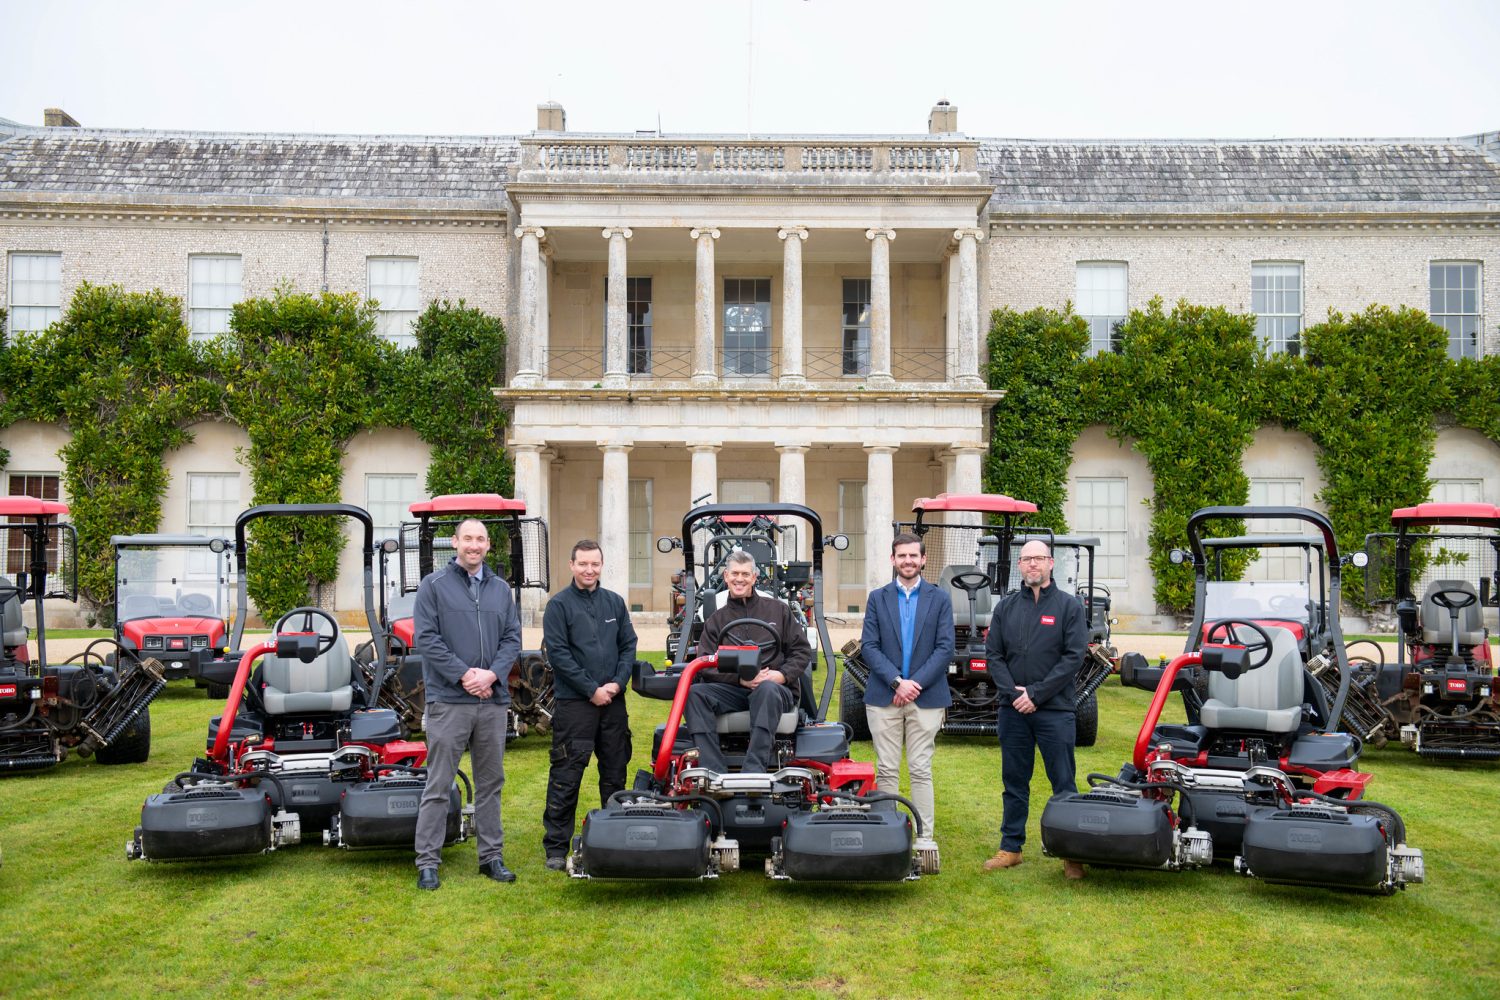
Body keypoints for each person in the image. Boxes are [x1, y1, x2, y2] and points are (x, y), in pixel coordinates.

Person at [412, 517, 522, 890]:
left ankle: (491, 857)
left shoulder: (500, 589)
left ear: (488, 545)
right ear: (455, 542)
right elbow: (427, 640)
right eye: (467, 539)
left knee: (490, 782)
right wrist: (464, 675)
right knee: (439, 782)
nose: (474, 545)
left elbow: (511, 639)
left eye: (480, 539)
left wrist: (490, 676)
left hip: (491, 701)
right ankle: (428, 862)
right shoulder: (434, 586)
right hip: (449, 701)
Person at [983, 539, 1088, 879]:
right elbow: (994, 656)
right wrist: (1015, 695)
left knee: (1063, 782)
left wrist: (1037, 694)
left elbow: (1073, 658)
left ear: (1050, 563)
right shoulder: (1006, 608)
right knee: (1014, 780)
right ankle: (1011, 847)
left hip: (1054, 710)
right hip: (1012, 710)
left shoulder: (1069, 607)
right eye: (1026, 559)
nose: (1032, 565)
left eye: (1038, 559)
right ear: (1020, 565)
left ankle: (1072, 853)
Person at [540, 539, 638, 871]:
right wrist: (591, 689)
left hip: (613, 703)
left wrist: (616, 683)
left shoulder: (614, 603)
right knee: (567, 775)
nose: (589, 570)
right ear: (572, 565)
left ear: (601, 565)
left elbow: (628, 646)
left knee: (615, 773)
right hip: (575, 706)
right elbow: (559, 656)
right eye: (582, 564)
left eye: (594, 564)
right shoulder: (558, 606)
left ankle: (612, 836)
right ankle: (555, 846)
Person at [860, 532, 955, 855]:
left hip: (926, 698)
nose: (908, 561)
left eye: (913, 556)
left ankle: (924, 837)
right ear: (893, 559)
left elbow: (945, 649)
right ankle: (888, 835)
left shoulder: (940, 598)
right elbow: (869, 647)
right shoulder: (877, 598)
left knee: (919, 768)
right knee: (886, 768)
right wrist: (896, 681)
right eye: (902, 556)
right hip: (884, 696)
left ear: (923, 559)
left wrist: (914, 683)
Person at [685, 549, 812, 774]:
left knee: (767, 689)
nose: (739, 579)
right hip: (733, 688)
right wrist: (741, 680)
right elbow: (705, 663)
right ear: (726, 576)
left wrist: (780, 675)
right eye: (735, 574)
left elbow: (801, 651)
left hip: (774, 687)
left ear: (754, 577)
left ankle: (753, 770)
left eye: (745, 574)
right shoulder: (716, 620)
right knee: (694, 694)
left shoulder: (778, 610)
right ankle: (714, 771)